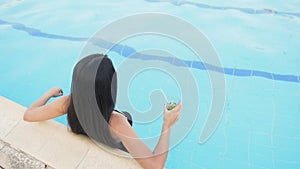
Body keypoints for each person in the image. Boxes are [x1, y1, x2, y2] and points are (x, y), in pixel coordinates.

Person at [23, 53, 182, 169]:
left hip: (88, 131)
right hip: (111, 143)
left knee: (126, 117)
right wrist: (167, 125)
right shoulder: (117, 122)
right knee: (126, 118)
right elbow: (155, 166)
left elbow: (29, 115)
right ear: (109, 87)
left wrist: (49, 94)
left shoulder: (68, 102)